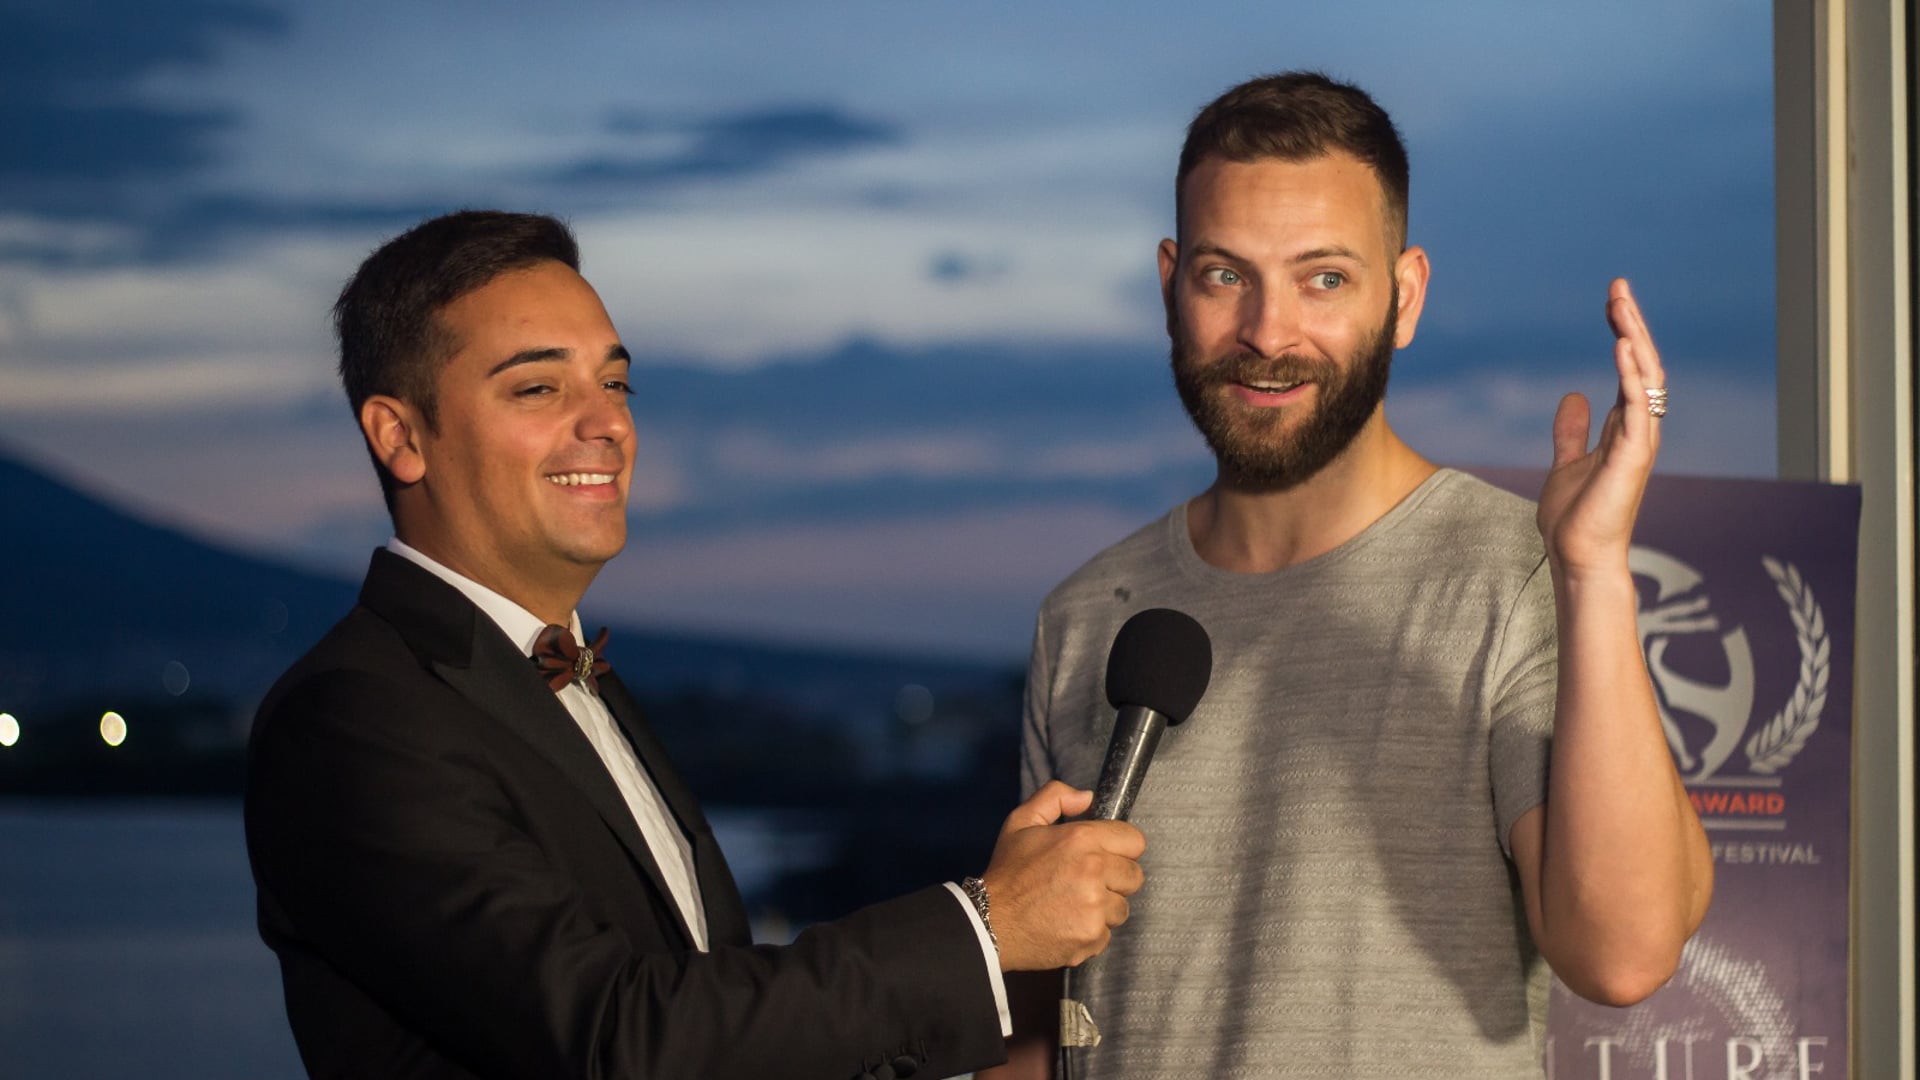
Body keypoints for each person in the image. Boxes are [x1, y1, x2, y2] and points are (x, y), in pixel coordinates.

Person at [243, 209, 1147, 1080]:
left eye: (614, 382)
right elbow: (620, 1038)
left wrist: (1004, 944)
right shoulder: (354, 717)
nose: (607, 424)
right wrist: (985, 929)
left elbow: (725, 1031)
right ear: (400, 437)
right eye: (538, 387)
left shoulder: (576, 683)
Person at [997, 72, 1713, 1078]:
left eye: (1323, 278)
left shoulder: (1517, 576)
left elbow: (1625, 953)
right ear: (1170, 285)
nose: (1269, 333)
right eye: (1223, 276)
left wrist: (1592, 576)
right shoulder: (1083, 618)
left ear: (1404, 296)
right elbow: (1039, 1020)